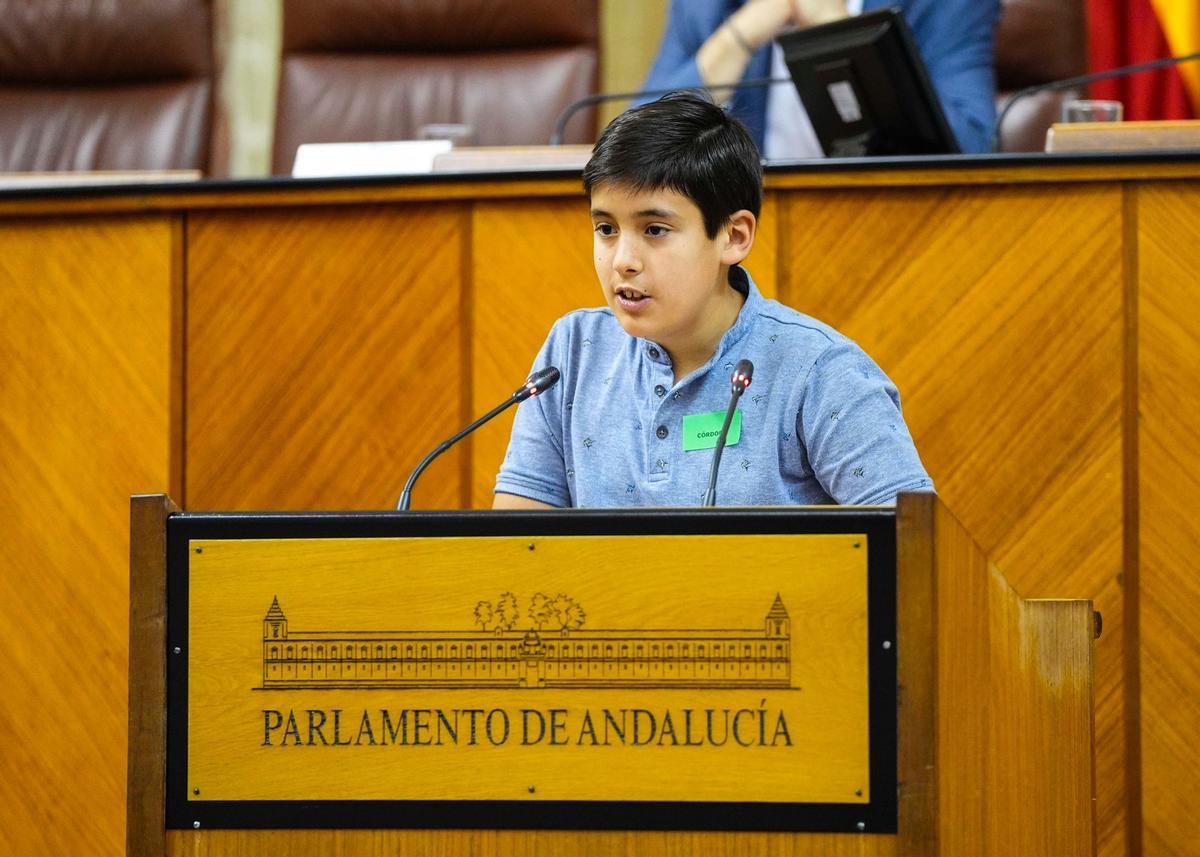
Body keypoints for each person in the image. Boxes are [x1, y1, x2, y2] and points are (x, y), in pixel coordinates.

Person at [493, 94, 932, 510]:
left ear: (733, 236)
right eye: (606, 229)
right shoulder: (573, 352)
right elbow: (515, 551)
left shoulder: (819, 370)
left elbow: (914, 549)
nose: (622, 261)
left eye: (654, 230)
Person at [641, 0, 1000, 156]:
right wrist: (737, 38)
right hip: (745, 235)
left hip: (898, 234)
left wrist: (837, 30)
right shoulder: (707, 6)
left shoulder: (945, 5)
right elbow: (636, 147)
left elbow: (970, 144)